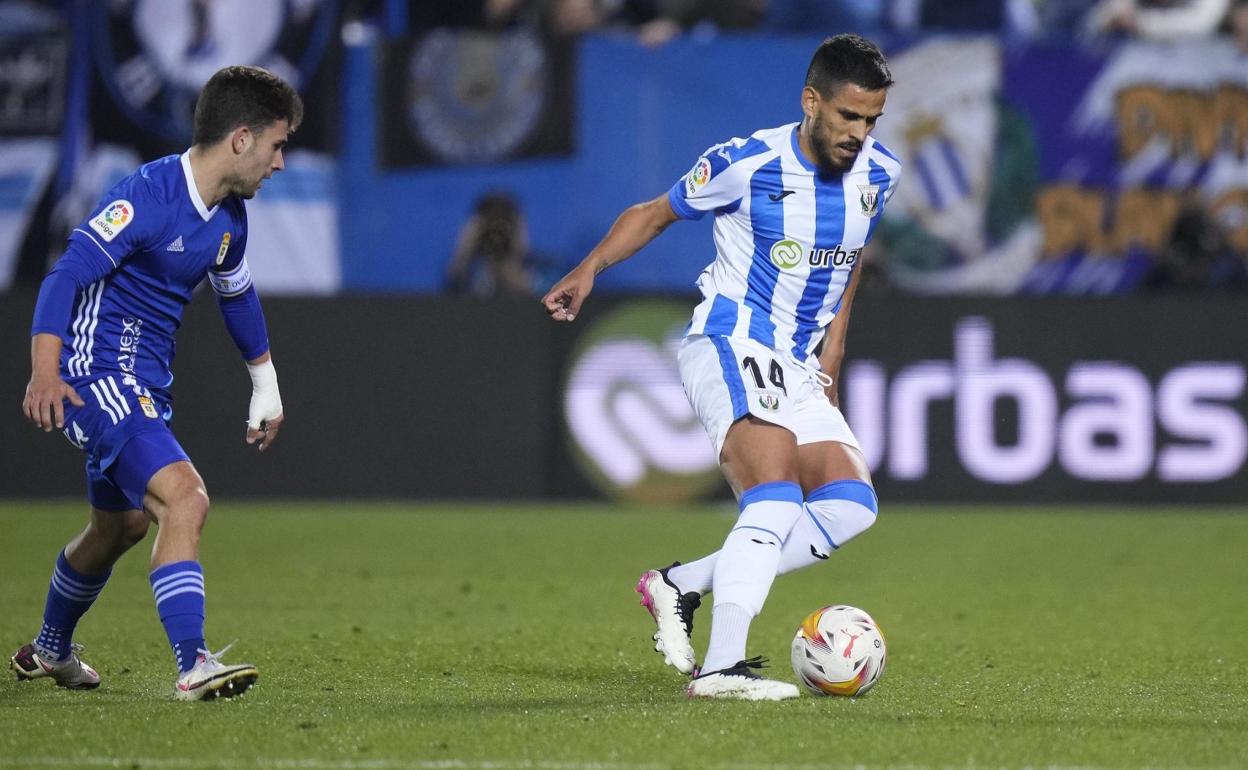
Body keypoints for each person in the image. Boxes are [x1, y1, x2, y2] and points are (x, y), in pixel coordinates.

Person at [542, 34, 901, 700]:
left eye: (872, 120)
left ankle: (679, 584)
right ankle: (722, 669)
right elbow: (654, 214)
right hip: (731, 339)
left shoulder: (880, 175)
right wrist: (589, 269)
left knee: (852, 505)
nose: (860, 134)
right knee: (774, 492)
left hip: (796, 362)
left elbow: (849, 261)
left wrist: (835, 348)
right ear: (811, 101)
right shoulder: (748, 163)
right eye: (849, 117)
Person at [10, 65, 301, 702]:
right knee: (185, 498)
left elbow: (236, 292)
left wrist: (265, 383)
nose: (280, 163)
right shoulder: (146, 195)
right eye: (279, 145)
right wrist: (44, 370)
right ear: (243, 138)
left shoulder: (229, 216)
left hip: (144, 381)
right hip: (97, 372)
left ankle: (51, 649)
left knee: (120, 529)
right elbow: (65, 275)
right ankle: (193, 662)